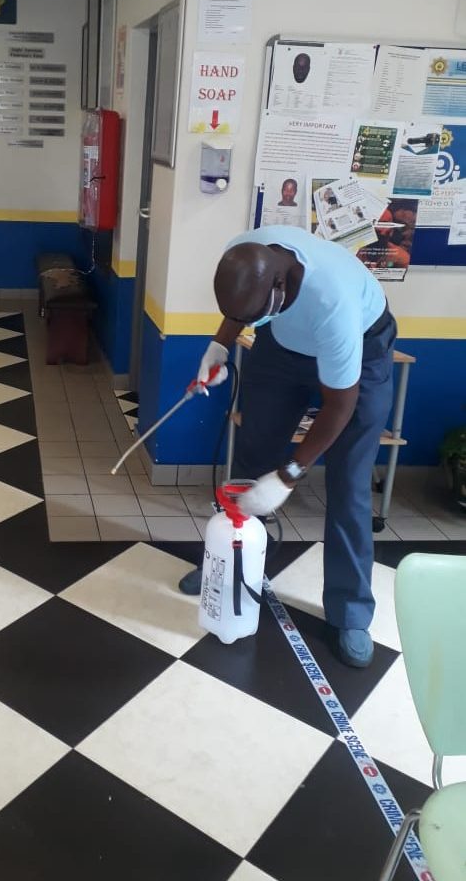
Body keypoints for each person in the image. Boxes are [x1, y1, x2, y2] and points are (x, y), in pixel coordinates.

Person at [183, 225, 396, 669]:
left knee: (350, 482)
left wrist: (289, 475)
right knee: (252, 456)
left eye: (258, 313)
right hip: (282, 348)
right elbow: (243, 308)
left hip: (361, 346)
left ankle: (350, 612)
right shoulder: (245, 253)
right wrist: (219, 346)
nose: (250, 320)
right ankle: (230, 565)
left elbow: (339, 406)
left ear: (280, 286)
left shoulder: (333, 303)